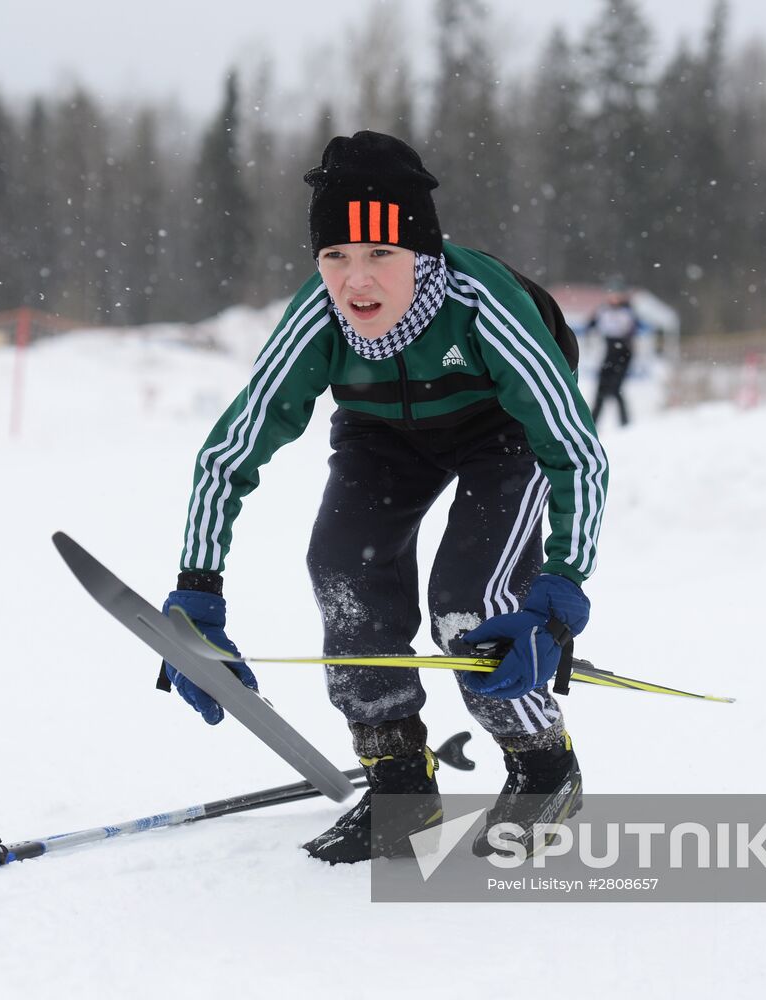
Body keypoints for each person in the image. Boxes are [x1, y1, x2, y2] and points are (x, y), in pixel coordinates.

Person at [158, 131, 608, 865]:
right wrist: (198, 589)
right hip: (381, 436)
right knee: (345, 575)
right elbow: (231, 448)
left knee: (473, 606)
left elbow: (575, 450)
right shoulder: (319, 316)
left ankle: (544, 766)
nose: (355, 281)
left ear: (421, 255)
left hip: (503, 431)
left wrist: (560, 586)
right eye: (335, 256)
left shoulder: (482, 302)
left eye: (381, 255)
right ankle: (399, 787)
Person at [584, 281, 647, 427]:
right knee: (601, 387)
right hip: (609, 351)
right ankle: (594, 422)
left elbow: (639, 328)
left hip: (624, 353)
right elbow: (590, 325)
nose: (614, 298)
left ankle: (624, 421)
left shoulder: (628, 311)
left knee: (615, 387)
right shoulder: (603, 310)